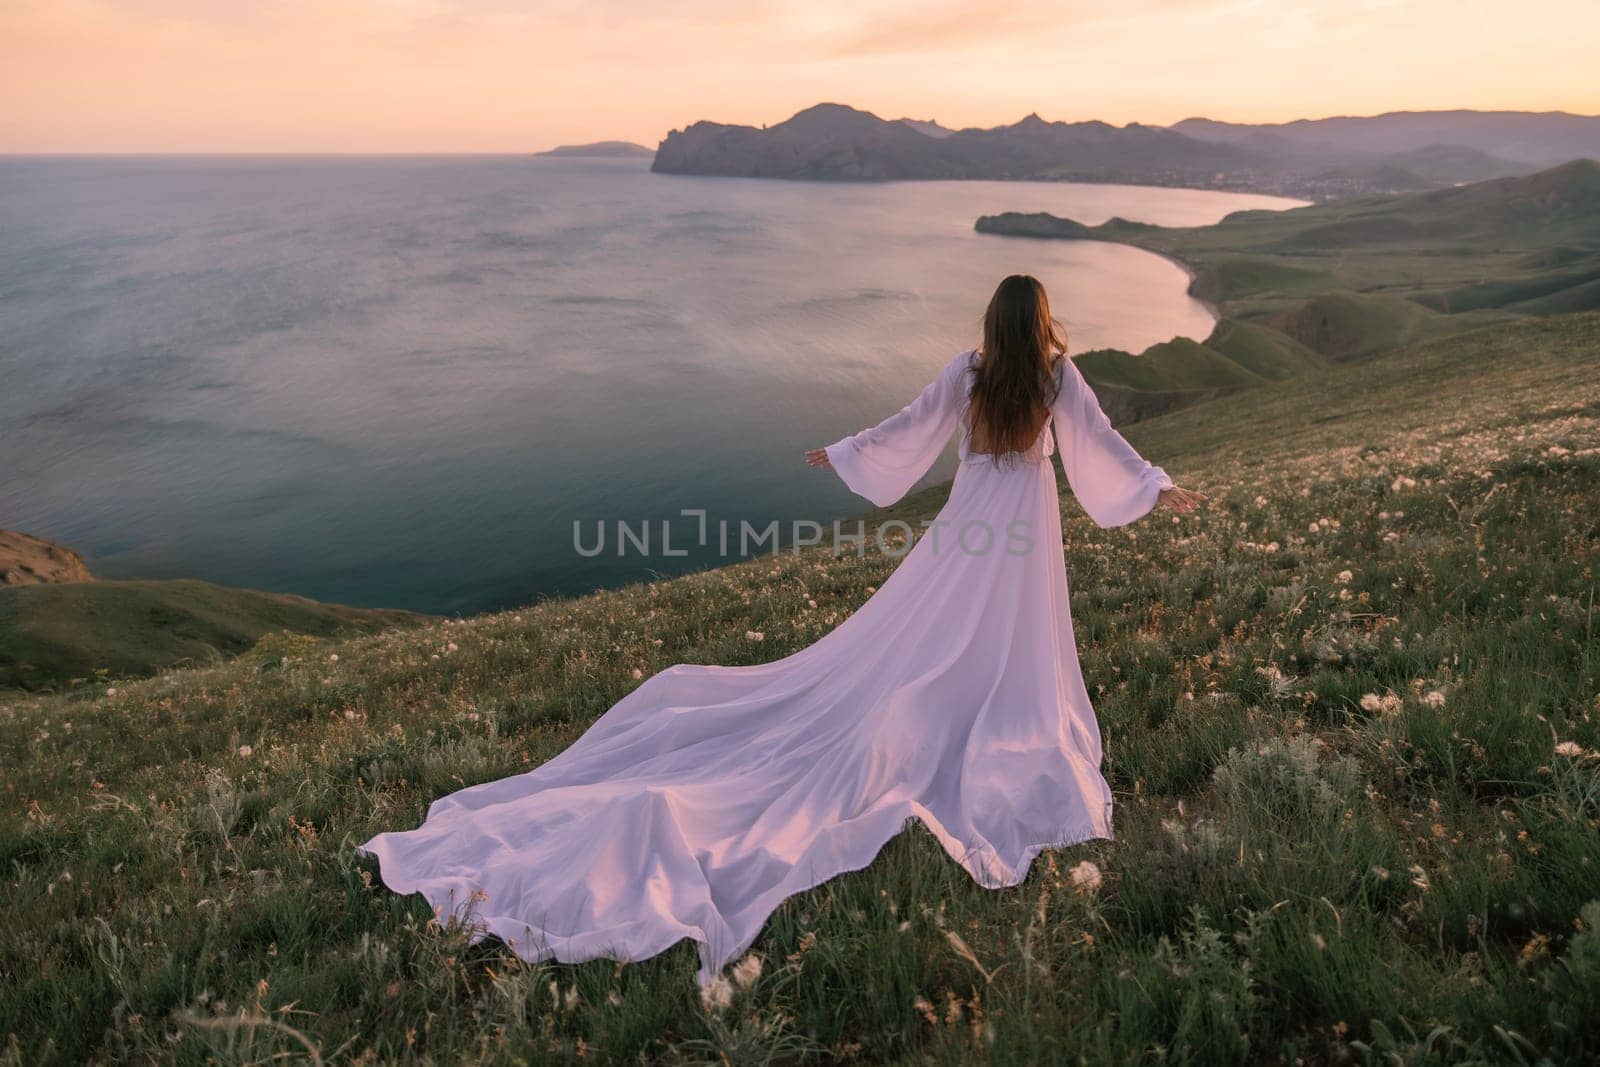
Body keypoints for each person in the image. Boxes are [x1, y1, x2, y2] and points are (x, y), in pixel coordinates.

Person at [359, 274, 1206, 991]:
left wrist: (843, 452)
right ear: (1044, 320)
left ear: (994, 322)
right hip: (1023, 515)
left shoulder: (972, 369)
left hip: (975, 514)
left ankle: (945, 707)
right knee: (1004, 632)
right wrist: (1157, 488)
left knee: (930, 625)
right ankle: (983, 715)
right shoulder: (1056, 378)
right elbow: (1104, 448)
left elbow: (907, 426)